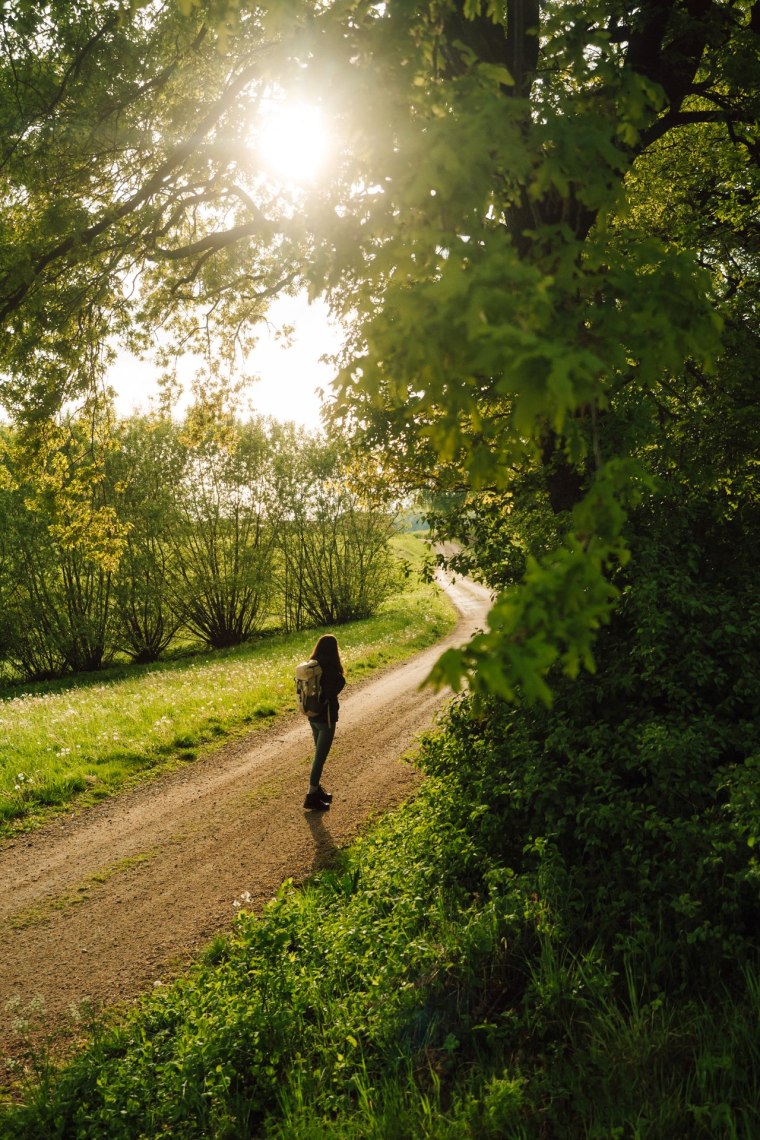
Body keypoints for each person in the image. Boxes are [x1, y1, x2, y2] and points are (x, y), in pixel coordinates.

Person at [303, 634, 346, 810]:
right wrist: (341, 681)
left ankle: (317, 790)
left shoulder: (313, 665)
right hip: (326, 718)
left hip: (313, 717)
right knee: (319, 759)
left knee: (318, 755)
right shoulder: (330, 668)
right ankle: (311, 795)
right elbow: (330, 692)